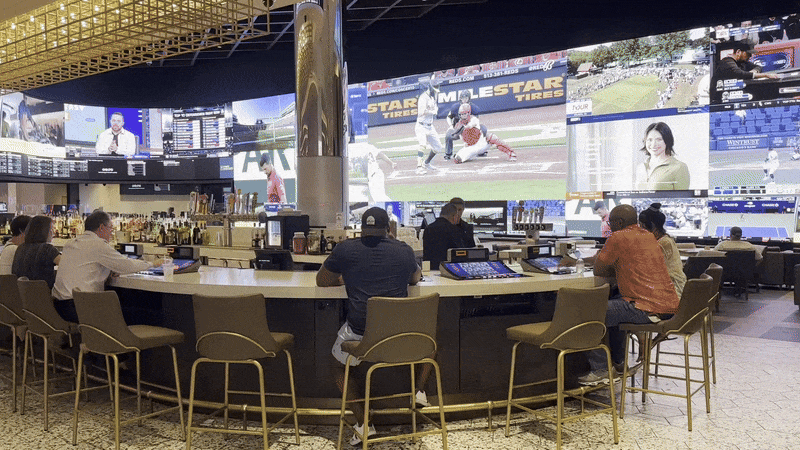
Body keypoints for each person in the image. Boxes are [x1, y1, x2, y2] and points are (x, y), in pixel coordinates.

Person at [316, 207, 422, 445]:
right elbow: (415, 278)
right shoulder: (403, 251)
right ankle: (418, 393)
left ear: (361, 229)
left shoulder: (345, 249)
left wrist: (348, 276)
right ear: (388, 229)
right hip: (399, 335)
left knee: (337, 366)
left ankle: (364, 423)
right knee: (432, 345)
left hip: (361, 335)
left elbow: (322, 281)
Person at [578, 204, 680, 385]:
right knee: (616, 306)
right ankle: (619, 363)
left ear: (619, 222)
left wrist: (616, 265)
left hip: (645, 307)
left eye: (610, 223)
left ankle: (600, 369)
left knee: (587, 311)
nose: (609, 227)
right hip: (669, 306)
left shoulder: (618, 237)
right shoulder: (649, 237)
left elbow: (598, 270)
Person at [52, 210, 155, 323]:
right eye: (111, 228)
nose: (111, 233)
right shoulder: (97, 244)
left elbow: (87, 265)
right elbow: (126, 265)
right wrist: (153, 264)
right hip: (79, 307)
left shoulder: (71, 243)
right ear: (101, 227)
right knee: (139, 313)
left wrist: (109, 269)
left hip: (59, 307)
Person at [638, 203, 687, 298]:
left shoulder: (663, 244)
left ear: (651, 225)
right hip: (670, 291)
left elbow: (644, 270)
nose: (640, 230)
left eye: (641, 226)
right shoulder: (664, 240)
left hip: (672, 294)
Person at [710, 41, 779, 103]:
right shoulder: (727, 62)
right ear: (738, 52)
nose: (750, 56)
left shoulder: (742, 62)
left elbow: (758, 67)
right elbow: (740, 74)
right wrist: (765, 75)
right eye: (748, 53)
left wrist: (754, 71)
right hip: (720, 100)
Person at [634, 122, 690, 190]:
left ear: (667, 141)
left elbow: (682, 199)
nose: (654, 144)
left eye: (659, 139)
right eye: (650, 140)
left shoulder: (679, 167)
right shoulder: (641, 167)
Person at [12, 215, 61, 290]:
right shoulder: (47, 249)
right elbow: (66, 265)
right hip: (44, 296)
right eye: (51, 229)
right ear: (44, 231)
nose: (53, 233)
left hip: (23, 297)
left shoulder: (20, 248)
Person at [443, 90, 487, 160]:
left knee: (483, 129)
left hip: (471, 129)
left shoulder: (473, 108)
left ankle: (481, 151)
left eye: (466, 98)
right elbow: (449, 117)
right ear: (460, 98)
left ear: (469, 98)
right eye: (462, 98)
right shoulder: (455, 107)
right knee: (448, 135)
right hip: (459, 128)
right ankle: (448, 153)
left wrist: (474, 127)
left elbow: (476, 120)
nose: (464, 99)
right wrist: (451, 126)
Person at [422, 203, 467, 270]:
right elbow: (460, 251)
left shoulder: (428, 228)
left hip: (430, 269)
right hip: (449, 269)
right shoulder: (453, 229)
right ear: (454, 216)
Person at [415, 75, 443, 174]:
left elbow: (433, 108)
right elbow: (421, 112)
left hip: (430, 126)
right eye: (434, 90)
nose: (435, 92)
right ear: (430, 88)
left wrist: (435, 109)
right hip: (421, 126)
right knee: (422, 145)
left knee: (438, 147)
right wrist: (432, 112)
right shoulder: (423, 97)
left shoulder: (432, 97)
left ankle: (426, 163)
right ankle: (419, 167)